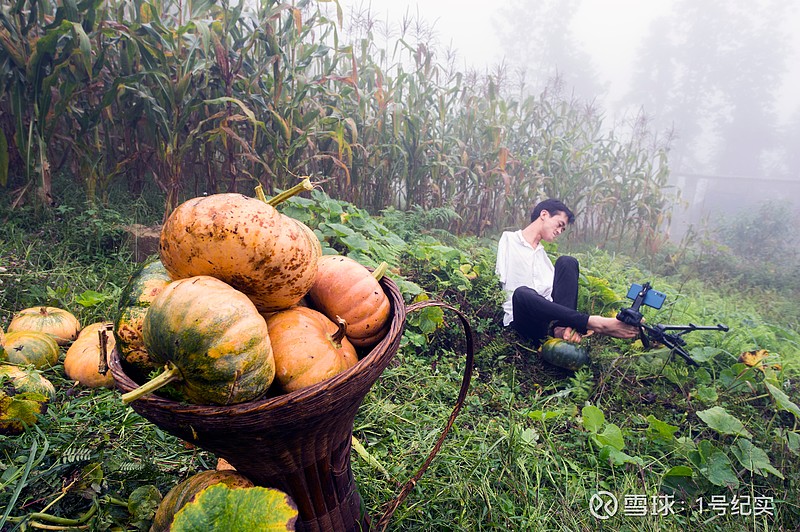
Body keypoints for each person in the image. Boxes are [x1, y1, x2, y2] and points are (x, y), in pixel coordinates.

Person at [495, 199, 639, 347]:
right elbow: (502, 281)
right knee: (523, 293)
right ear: (544, 214)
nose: (559, 232)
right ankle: (594, 322)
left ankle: (563, 329)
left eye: (563, 230)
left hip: (546, 323)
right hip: (522, 319)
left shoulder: (543, 258)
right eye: (559, 225)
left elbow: (558, 296)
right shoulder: (509, 239)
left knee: (567, 261)